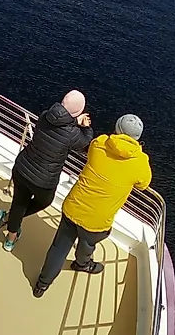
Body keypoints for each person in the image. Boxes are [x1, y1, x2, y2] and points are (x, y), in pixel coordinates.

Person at [32, 114, 152, 298]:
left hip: (75, 206)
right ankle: (82, 264)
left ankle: (42, 284)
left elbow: (91, 151)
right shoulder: (141, 162)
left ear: (116, 129)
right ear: (137, 138)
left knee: (59, 247)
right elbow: (143, 184)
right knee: (88, 243)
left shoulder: (100, 143)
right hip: (98, 220)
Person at [0, 90, 94, 251]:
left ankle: (11, 238)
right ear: (79, 111)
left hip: (23, 167)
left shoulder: (46, 115)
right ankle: (9, 220)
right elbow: (85, 144)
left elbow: (60, 126)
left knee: (19, 202)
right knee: (44, 201)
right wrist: (85, 127)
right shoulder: (73, 133)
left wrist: (73, 121)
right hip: (44, 180)